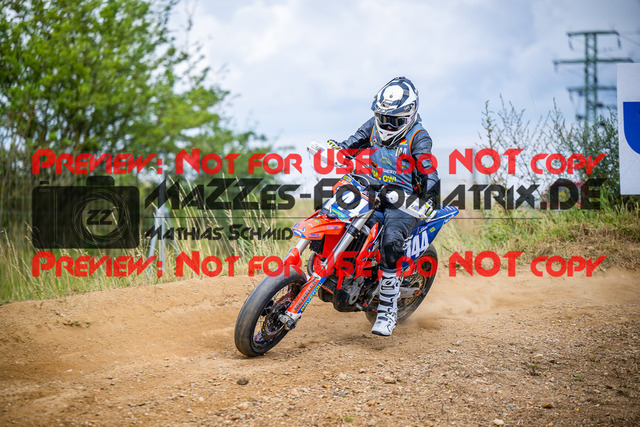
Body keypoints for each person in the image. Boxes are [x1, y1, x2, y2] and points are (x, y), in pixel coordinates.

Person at [329, 76, 440, 336]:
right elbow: (350, 144)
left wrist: (429, 199)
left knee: (391, 241)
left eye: (395, 121)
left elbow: (428, 168)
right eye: (383, 118)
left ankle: (387, 308)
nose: (387, 125)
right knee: (334, 213)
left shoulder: (419, 137)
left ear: (409, 116)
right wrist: (335, 151)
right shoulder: (373, 126)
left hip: (403, 202)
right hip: (371, 190)